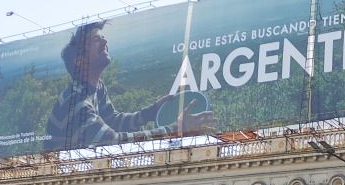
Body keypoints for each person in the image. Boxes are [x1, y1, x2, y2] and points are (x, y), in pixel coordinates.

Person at [45, 21, 216, 149]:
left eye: (103, 37)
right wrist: (178, 128)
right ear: (79, 60)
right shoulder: (75, 102)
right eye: (96, 40)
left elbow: (112, 120)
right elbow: (113, 140)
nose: (105, 42)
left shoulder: (97, 88)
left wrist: (151, 112)